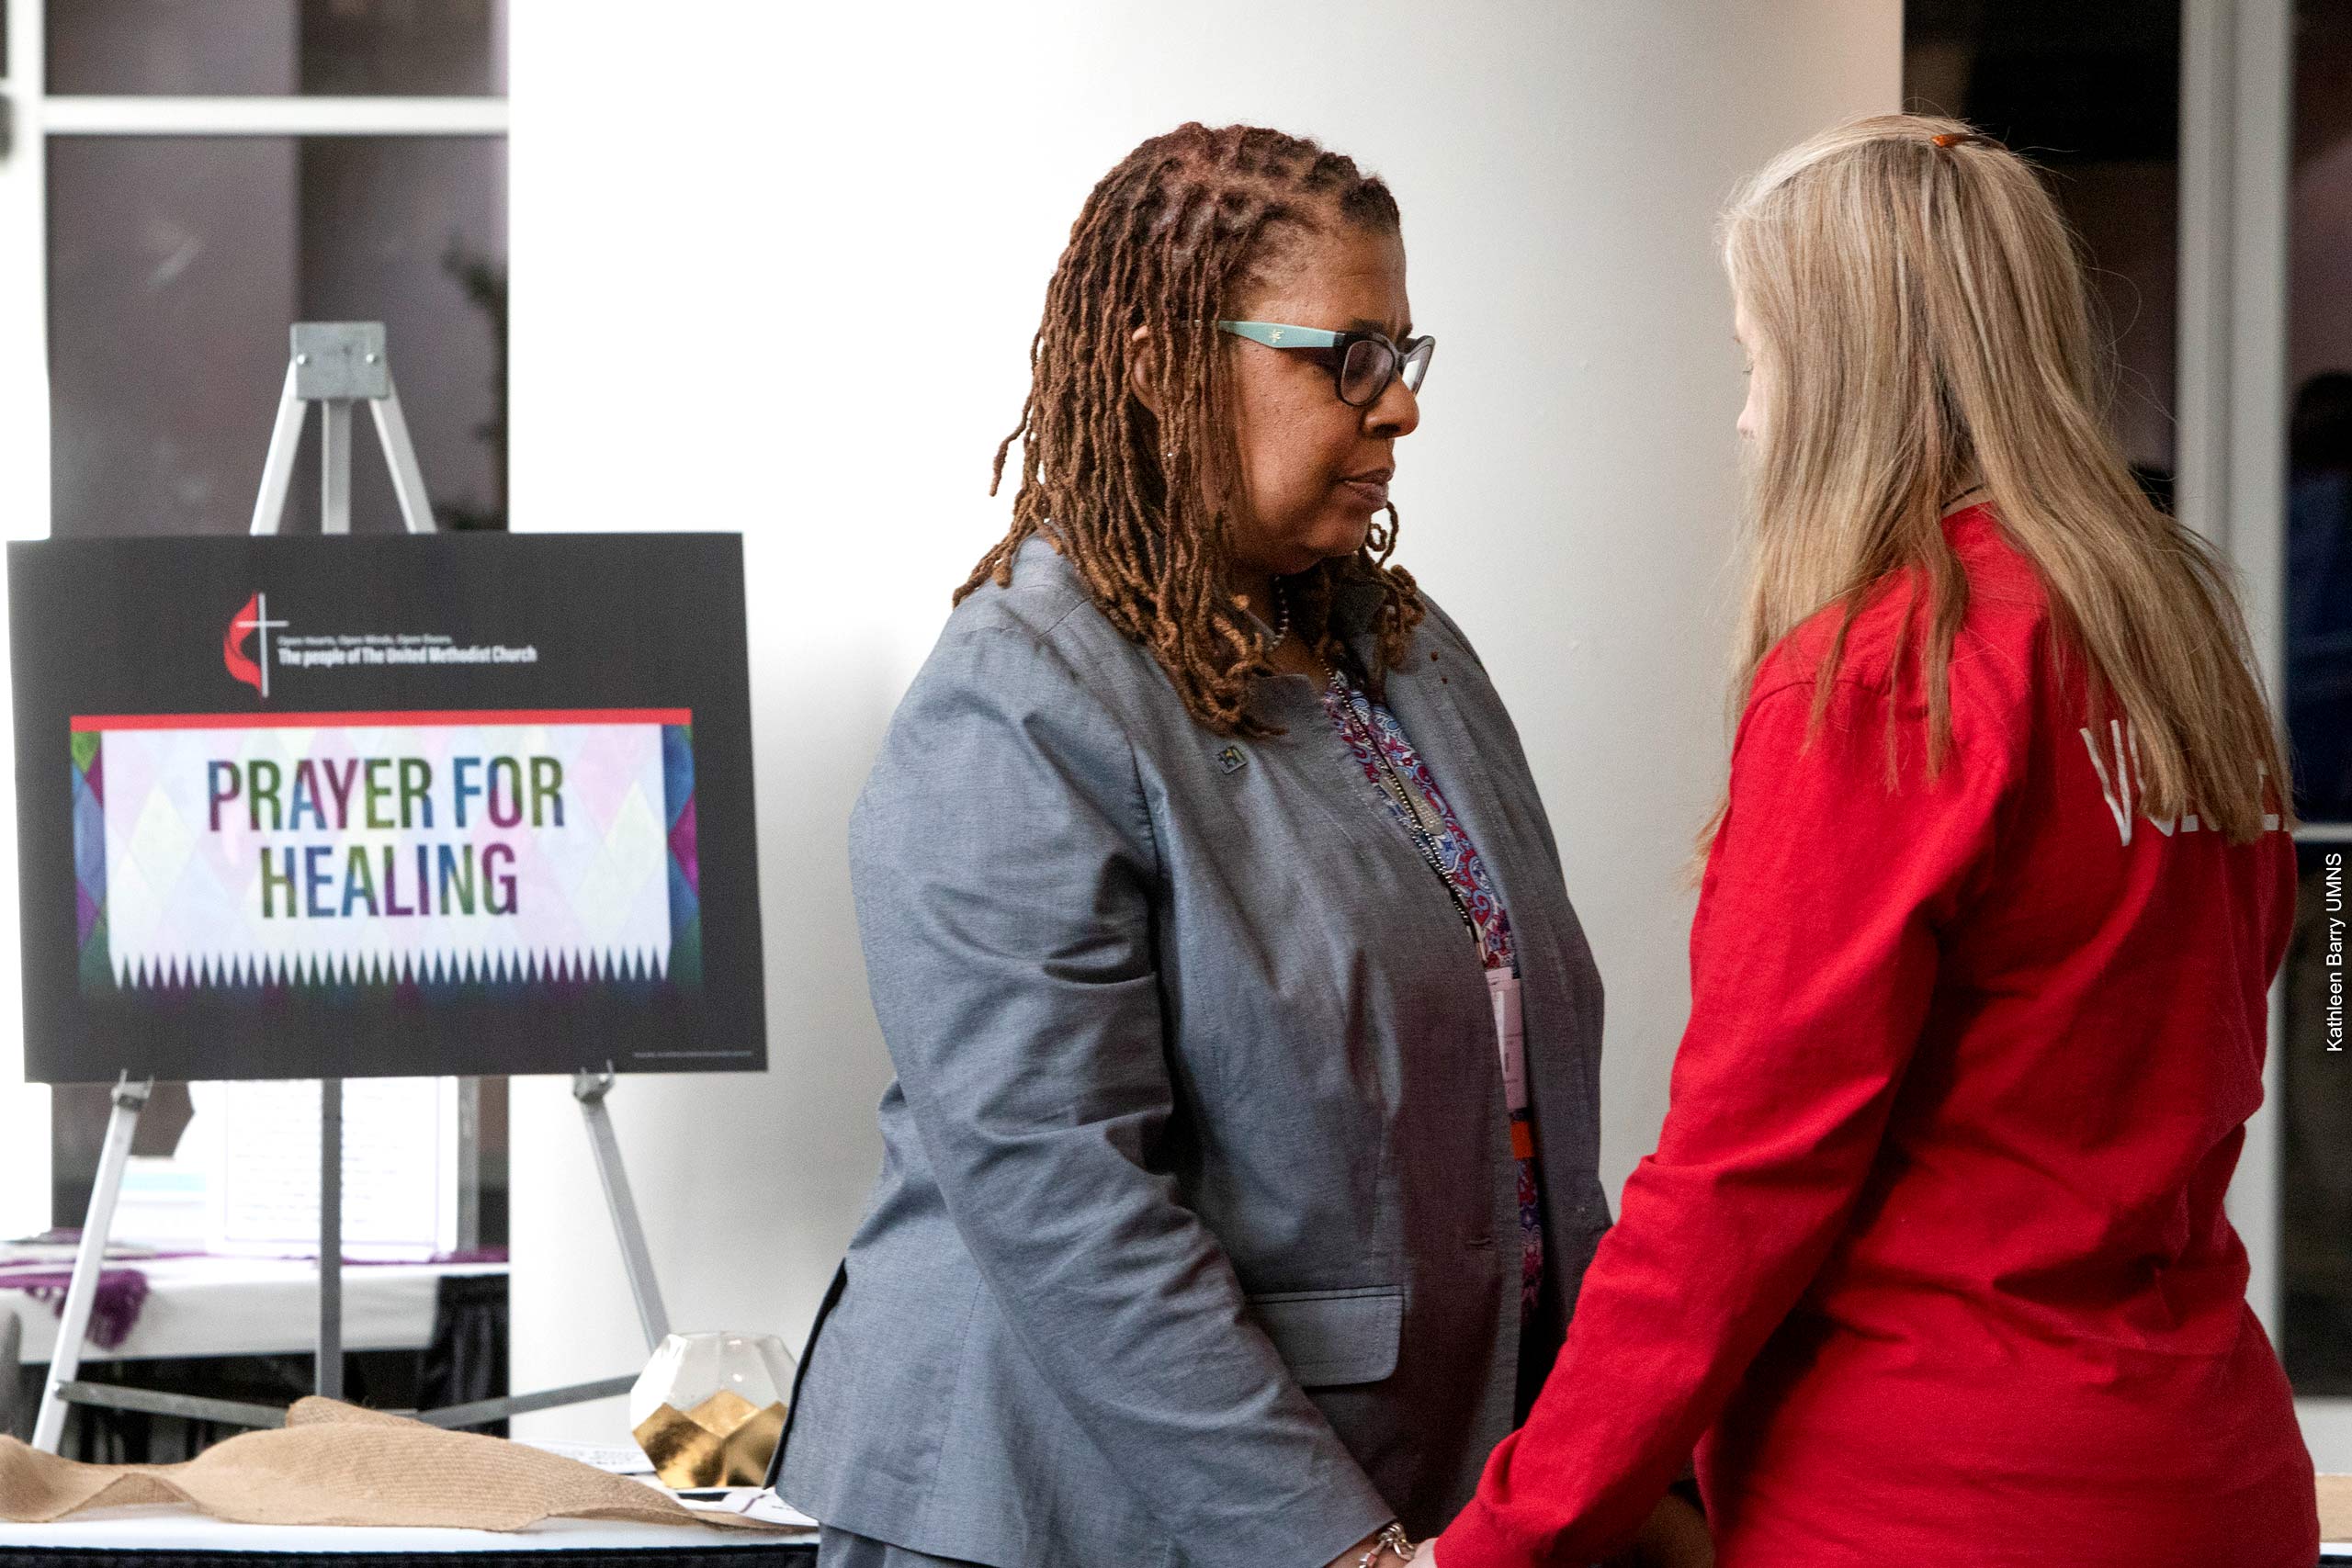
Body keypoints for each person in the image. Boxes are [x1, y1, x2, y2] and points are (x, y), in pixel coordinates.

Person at [772, 122, 1703, 1568]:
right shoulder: (1018, 694)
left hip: (1404, 1488)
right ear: (1157, 367)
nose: (1397, 410)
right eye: (1345, 358)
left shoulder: (1408, 657)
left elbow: (1519, 1115)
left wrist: (1610, 1464)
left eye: (1405, 355)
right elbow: (1059, 1192)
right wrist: (1330, 1545)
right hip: (1069, 1514)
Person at [1423, 115, 2317, 1568]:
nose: (1748, 414)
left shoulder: (1895, 669)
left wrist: (1505, 1542)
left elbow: (1741, 1177)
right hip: (2208, 1472)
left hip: (1939, 1501)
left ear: (1844, 368)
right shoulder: (2179, 637)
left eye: (1756, 357)